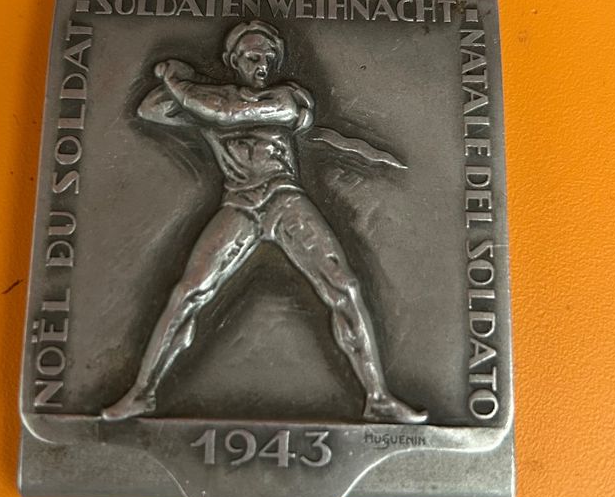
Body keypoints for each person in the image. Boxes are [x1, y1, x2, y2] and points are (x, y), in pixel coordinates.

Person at [102, 21, 427, 424]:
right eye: (253, 56)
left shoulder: (288, 97)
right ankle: (142, 394)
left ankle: (377, 397)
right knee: (188, 292)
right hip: (240, 205)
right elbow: (149, 109)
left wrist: (177, 80)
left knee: (344, 286)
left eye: (269, 58)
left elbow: (232, 113)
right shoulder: (210, 101)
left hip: (284, 200)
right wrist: (192, 86)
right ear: (232, 60)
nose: (262, 65)